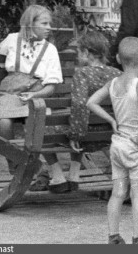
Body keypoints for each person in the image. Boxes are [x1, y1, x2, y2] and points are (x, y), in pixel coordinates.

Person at [29, 30, 122, 193]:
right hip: (109, 134)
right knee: (75, 123)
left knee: (42, 128)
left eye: (79, 52)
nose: (78, 56)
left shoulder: (83, 74)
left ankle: (58, 178)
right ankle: (73, 177)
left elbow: (80, 105)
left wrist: (76, 135)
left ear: (86, 52)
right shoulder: (117, 74)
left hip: (86, 135)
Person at [86, 37, 138, 245]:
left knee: (117, 193)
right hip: (136, 148)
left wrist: (110, 119)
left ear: (117, 58)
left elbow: (91, 102)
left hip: (118, 146)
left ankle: (113, 236)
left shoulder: (113, 83)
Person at [0, 5, 67, 186]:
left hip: (36, 92)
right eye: (44, 23)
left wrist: (34, 95)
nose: (49, 27)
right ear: (30, 24)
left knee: (37, 125)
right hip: (10, 92)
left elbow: (51, 86)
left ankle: (44, 170)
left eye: (50, 24)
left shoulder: (49, 50)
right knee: (4, 122)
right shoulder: (11, 40)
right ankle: (16, 165)